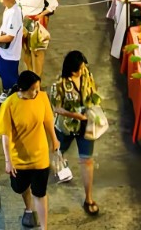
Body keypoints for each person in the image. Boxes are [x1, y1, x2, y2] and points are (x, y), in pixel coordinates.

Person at [0, 70, 61, 230]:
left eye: (37, 88)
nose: (36, 93)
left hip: (40, 156)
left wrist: (54, 139)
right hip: (19, 159)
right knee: (20, 187)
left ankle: (44, 227)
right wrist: (8, 161)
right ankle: (28, 208)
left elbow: (48, 120)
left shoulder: (42, 97)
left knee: (40, 193)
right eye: (32, 89)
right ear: (22, 89)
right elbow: (6, 135)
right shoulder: (9, 104)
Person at [50, 51, 101, 216]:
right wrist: (75, 115)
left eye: (83, 67)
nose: (82, 70)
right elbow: (56, 108)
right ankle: (59, 164)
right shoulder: (59, 84)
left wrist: (94, 105)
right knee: (58, 150)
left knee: (87, 160)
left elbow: (93, 90)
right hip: (66, 126)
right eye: (78, 69)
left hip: (86, 126)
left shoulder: (86, 74)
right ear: (71, 70)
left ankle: (89, 198)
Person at [16, 0, 58, 76]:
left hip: (38, 23)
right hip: (24, 24)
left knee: (38, 52)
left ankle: (38, 77)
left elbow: (54, 2)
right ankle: (30, 74)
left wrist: (42, 14)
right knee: (26, 51)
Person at [0, 0, 23, 104]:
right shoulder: (10, 8)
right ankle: (6, 94)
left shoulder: (14, 13)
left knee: (9, 76)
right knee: (3, 73)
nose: (1, 1)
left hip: (10, 53)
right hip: (6, 51)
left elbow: (10, 37)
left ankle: (15, 99)